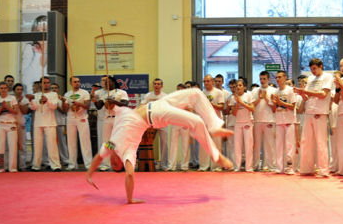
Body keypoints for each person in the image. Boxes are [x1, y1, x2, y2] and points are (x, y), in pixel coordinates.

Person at [86, 88, 234, 204]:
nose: (112, 162)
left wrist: (89, 174)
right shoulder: (127, 152)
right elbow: (130, 174)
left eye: (112, 164)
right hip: (156, 116)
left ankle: (214, 125)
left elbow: (98, 158)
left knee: (195, 93)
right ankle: (217, 156)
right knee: (197, 121)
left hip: (157, 104)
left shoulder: (110, 146)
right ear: (121, 163)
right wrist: (129, 199)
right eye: (116, 165)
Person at [295, 58, 333, 177]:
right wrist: (301, 93)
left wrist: (308, 93)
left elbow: (323, 94)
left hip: (320, 112)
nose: (313, 72)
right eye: (311, 69)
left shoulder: (327, 77)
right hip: (309, 111)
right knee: (306, 141)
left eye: (315, 69)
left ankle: (323, 170)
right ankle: (307, 168)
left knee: (321, 142)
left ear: (321, 66)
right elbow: (307, 97)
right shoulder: (310, 78)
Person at [93, 76, 129, 171]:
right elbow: (99, 106)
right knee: (107, 142)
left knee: (120, 141)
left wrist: (113, 101)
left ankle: (122, 162)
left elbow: (125, 104)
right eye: (105, 82)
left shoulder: (121, 92)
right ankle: (107, 164)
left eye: (108, 82)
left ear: (113, 82)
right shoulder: (104, 94)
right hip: (107, 119)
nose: (106, 84)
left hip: (118, 119)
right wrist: (94, 99)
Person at [27, 76, 62, 171]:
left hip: (50, 122)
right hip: (38, 123)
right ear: (40, 84)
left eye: (47, 82)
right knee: (37, 146)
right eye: (44, 82)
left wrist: (46, 101)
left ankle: (55, 165)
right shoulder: (36, 95)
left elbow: (54, 106)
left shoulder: (53, 94)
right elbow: (33, 108)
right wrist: (30, 100)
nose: (46, 84)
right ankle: (36, 165)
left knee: (52, 145)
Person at [63, 76, 93, 170]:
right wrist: (64, 102)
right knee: (71, 142)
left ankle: (88, 164)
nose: (77, 83)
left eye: (78, 81)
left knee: (85, 142)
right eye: (75, 82)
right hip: (70, 119)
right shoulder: (67, 94)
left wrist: (79, 104)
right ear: (70, 83)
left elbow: (87, 106)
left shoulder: (84, 93)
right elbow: (65, 109)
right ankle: (72, 164)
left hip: (82, 118)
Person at [252, 71, 277, 171]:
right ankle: (255, 165)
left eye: (264, 79)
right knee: (256, 145)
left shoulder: (274, 90)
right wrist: (259, 98)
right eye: (261, 79)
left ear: (268, 79)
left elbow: (274, 107)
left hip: (269, 120)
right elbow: (251, 105)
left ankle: (271, 166)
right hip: (257, 120)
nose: (262, 81)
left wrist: (266, 99)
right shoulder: (255, 91)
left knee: (270, 145)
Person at [272, 71, 296, 175]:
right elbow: (274, 109)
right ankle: (279, 167)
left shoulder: (290, 90)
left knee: (289, 146)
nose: (278, 79)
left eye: (280, 77)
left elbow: (292, 106)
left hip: (289, 121)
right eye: (276, 77)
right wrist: (274, 103)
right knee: (278, 145)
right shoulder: (275, 91)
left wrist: (280, 102)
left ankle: (289, 167)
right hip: (279, 121)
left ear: (285, 78)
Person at [0, 81, 18, 172]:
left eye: (5, 88)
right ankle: (0, 168)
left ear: (7, 89)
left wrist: (7, 107)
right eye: (1, 88)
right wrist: (1, 107)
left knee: (12, 147)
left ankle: (13, 168)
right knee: (0, 147)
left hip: (11, 124)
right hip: (0, 124)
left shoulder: (12, 98)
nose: (3, 90)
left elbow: (16, 111)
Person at [200, 74, 224, 171]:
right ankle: (204, 166)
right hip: (205, 121)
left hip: (215, 121)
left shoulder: (218, 92)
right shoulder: (202, 93)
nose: (206, 83)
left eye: (208, 81)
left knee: (217, 144)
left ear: (212, 81)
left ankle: (217, 166)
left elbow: (221, 106)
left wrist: (212, 105)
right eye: (204, 81)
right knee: (204, 143)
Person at [142, 78, 168, 170]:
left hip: (162, 121)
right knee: (148, 142)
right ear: (153, 85)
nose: (156, 86)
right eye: (155, 84)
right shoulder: (148, 95)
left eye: (158, 84)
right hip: (151, 121)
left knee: (164, 143)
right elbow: (142, 105)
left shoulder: (165, 96)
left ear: (162, 86)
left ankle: (164, 164)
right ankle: (148, 163)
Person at [229, 79, 254, 172]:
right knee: (237, 146)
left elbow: (252, 108)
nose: (238, 87)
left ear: (244, 87)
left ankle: (249, 167)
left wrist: (242, 102)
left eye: (240, 85)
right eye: (237, 86)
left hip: (247, 122)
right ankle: (237, 166)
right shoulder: (232, 98)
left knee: (248, 146)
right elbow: (234, 113)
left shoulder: (248, 95)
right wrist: (237, 104)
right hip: (238, 123)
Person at [166, 84, 190, 171]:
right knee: (173, 144)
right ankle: (171, 166)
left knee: (185, 145)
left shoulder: (188, 99)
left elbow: (190, 111)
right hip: (175, 123)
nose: (179, 91)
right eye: (178, 89)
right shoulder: (173, 99)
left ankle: (184, 166)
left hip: (185, 123)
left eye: (181, 89)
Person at [22, 15, 47, 94]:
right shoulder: (30, 48)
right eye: (38, 31)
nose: (41, 34)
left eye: (44, 30)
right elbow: (25, 74)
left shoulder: (54, 49)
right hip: (32, 91)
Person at [51, 83, 70, 166]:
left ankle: (65, 160)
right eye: (52, 88)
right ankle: (52, 161)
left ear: (58, 89)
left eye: (55, 88)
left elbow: (65, 110)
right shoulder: (47, 99)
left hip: (60, 123)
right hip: (50, 123)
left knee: (62, 143)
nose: (54, 89)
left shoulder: (62, 99)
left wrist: (56, 106)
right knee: (51, 144)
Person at [13, 83, 30, 171]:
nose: (19, 91)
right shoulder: (10, 98)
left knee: (22, 145)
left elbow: (25, 111)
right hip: (11, 124)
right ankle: (12, 165)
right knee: (12, 146)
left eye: (21, 89)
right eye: (17, 89)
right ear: (14, 90)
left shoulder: (25, 99)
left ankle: (22, 165)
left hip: (21, 124)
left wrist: (19, 103)